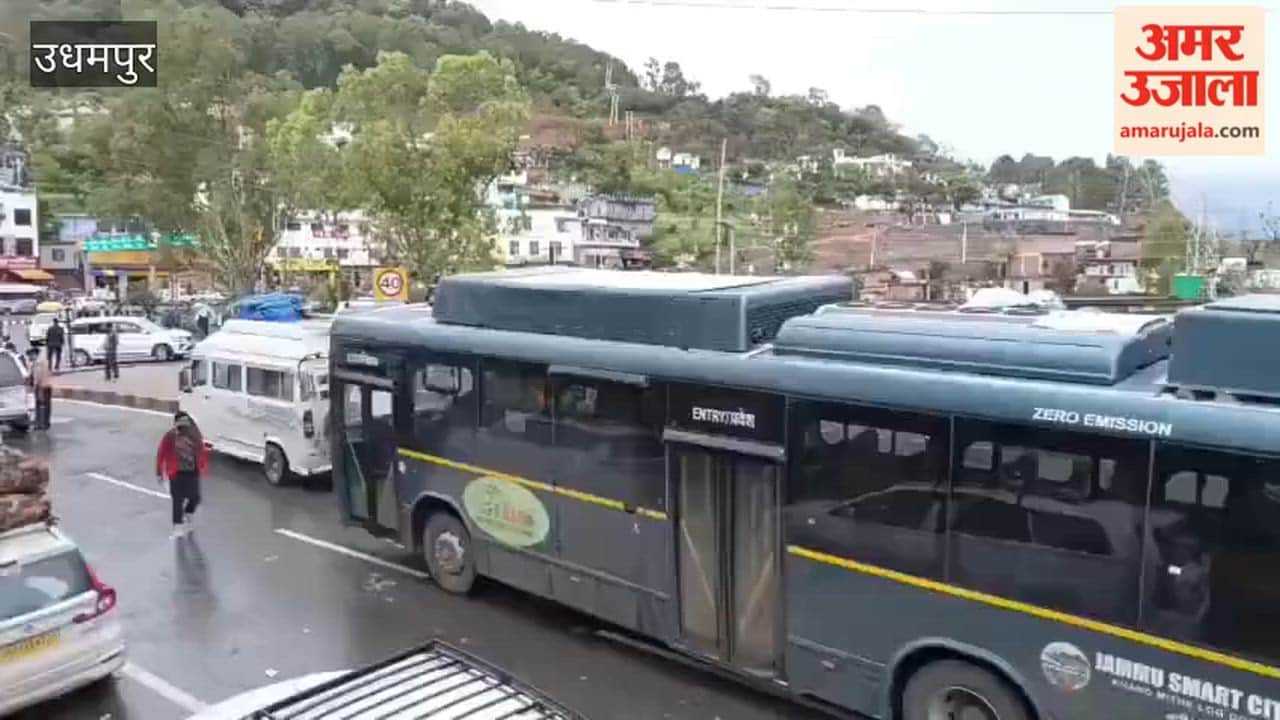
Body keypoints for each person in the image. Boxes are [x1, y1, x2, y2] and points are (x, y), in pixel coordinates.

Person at [155, 412, 210, 538]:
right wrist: (159, 473)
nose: (184, 427)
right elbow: (161, 454)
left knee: (195, 498)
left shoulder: (194, 434)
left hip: (192, 471)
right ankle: (177, 527)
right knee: (177, 500)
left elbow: (201, 450)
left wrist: (203, 466)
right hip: (176, 473)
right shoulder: (170, 436)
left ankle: (188, 512)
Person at [28, 348, 53, 430]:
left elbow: (38, 378)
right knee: (41, 406)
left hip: (42, 387)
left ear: (34, 354)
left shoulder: (39, 363)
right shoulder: (38, 363)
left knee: (42, 406)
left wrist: (38, 389)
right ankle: (42, 423)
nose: (29, 357)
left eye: (30, 355)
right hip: (43, 386)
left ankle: (43, 424)